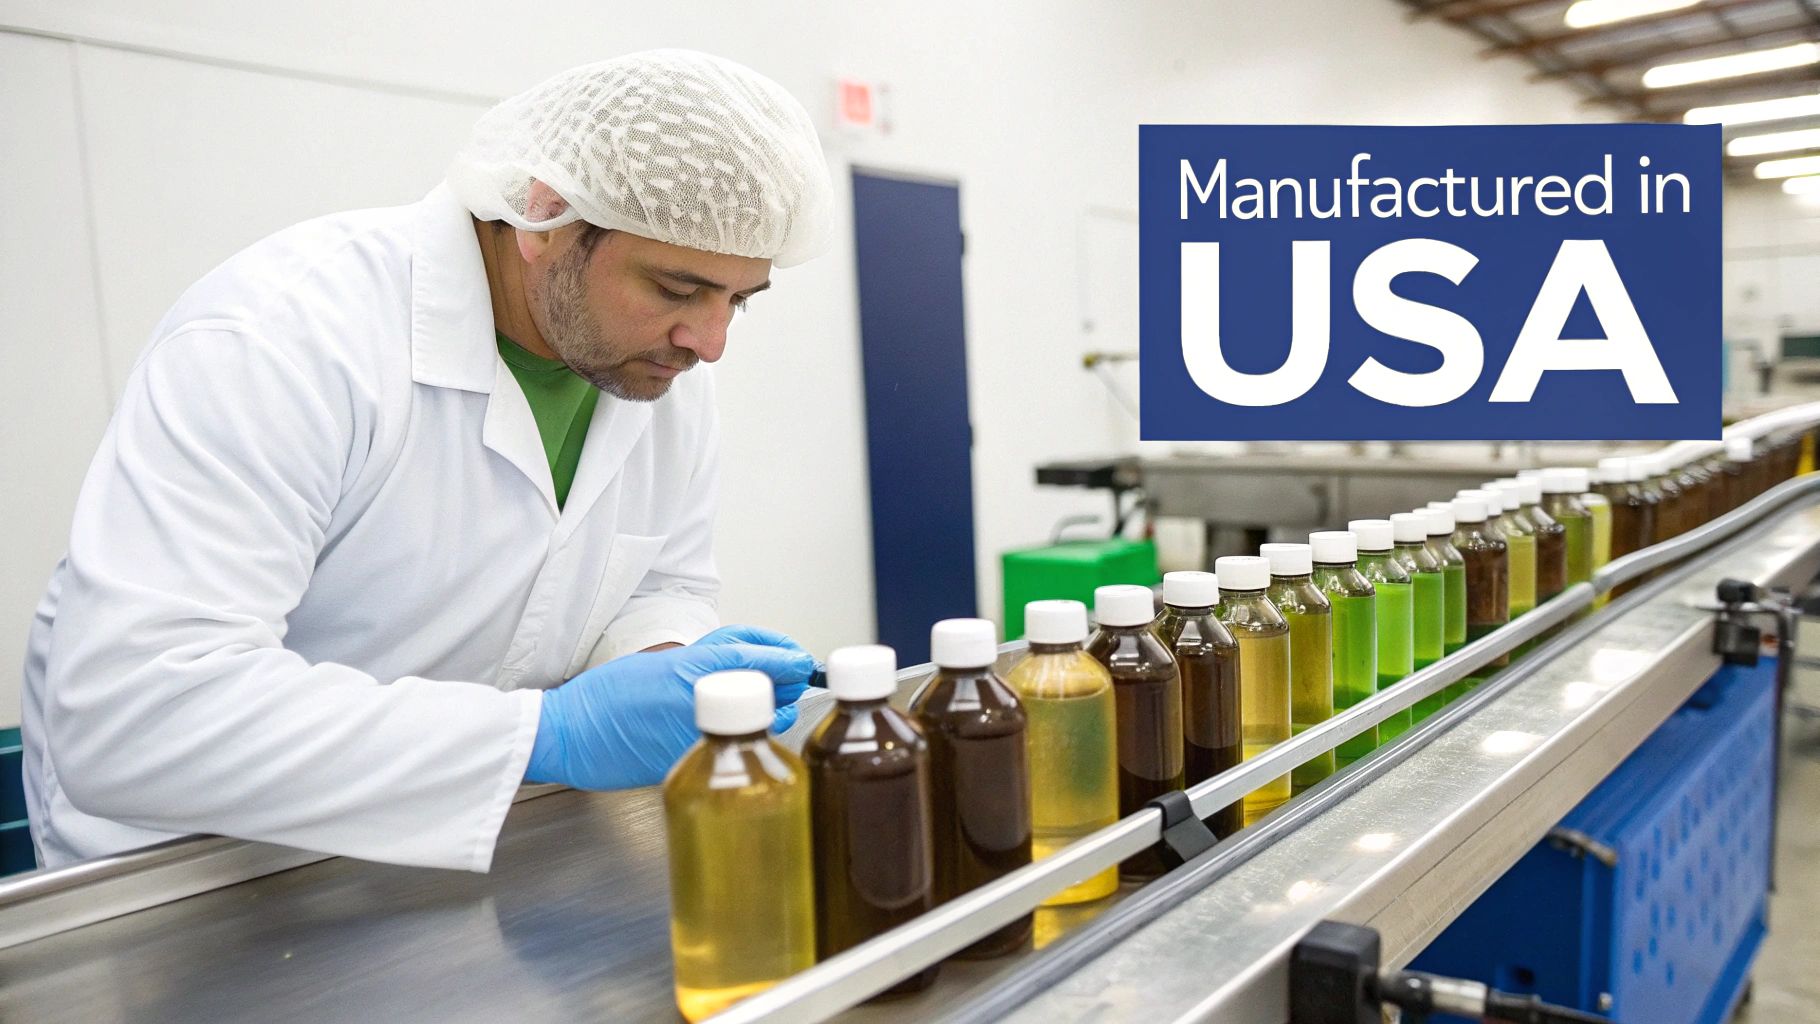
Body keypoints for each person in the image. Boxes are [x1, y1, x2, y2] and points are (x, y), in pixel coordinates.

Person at [20, 50, 835, 872]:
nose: (711, 341)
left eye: (739, 300)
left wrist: (666, 663)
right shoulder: (283, 337)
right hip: (197, 879)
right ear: (544, 216)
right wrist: (550, 735)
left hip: (460, 855)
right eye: (675, 288)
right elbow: (131, 714)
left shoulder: (657, 375)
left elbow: (661, 582)